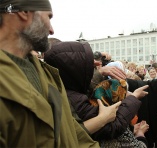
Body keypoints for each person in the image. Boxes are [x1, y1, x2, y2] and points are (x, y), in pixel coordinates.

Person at [0, 0, 100, 147]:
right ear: (24, 12)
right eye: (49, 17)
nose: (52, 30)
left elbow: (74, 133)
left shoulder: (48, 74)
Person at [44, 41, 149, 147]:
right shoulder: (74, 99)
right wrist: (134, 98)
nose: (94, 66)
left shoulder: (65, 89)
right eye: (88, 65)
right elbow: (111, 126)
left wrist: (98, 72)